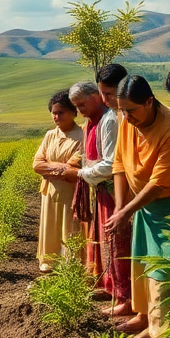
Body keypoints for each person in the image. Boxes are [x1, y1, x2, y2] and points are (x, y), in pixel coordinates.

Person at [107, 75, 170, 338]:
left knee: (165, 273)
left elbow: (160, 182)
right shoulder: (128, 121)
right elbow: (120, 163)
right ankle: (152, 324)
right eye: (122, 110)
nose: (126, 116)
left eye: (131, 110)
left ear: (149, 101)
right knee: (146, 267)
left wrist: (127, 211)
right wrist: (120, 207)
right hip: (143, 205)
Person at [67, 77, 130, 313]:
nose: (79, 111)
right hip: (100, 190)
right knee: (105, 240)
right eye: (76, 107)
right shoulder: (92, 122)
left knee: (117, 241)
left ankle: (124, 296)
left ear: (95, 98)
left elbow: (110, 163)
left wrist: (80, 172)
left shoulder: (108, 121)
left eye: (81, 105)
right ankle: (110, 285)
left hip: (114, 191)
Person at [31, 90, 85, 272]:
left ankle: (70, 263)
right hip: (50, 191)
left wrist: (51, 167)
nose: (56, 116)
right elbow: (37, 164)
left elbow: (73, 168)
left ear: (73, 112)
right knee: (50, 227)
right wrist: (59, 168)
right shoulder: (49, 136)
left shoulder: (82, 135)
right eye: (54, 112)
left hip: (71, 191)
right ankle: (49, 262)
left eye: (60, 112)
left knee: (70, 227)